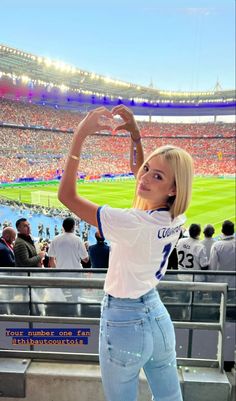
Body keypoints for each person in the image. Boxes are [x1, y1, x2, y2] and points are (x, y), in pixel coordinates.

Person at [58, 105, 194, 401]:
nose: (143, 178)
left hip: (123, 321)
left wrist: (80, 134)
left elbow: (66, 196)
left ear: (172, 189)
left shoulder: (134, 223)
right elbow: (142, 174)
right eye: (147, 169)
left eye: (157, 177)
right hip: (158, 317)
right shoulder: (174, 216)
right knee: (170, 397)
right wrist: (135, 136)